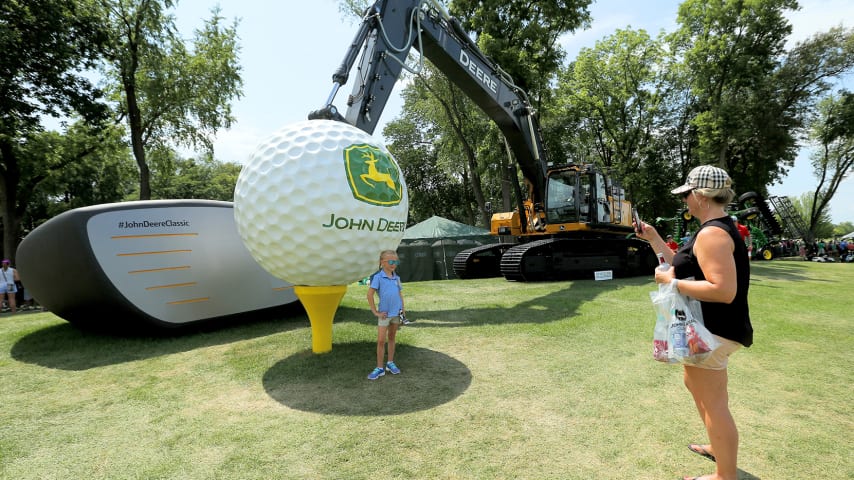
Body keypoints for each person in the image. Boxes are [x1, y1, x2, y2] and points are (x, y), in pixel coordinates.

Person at [635, 165, 753, 480]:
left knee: (713, 402)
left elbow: (723, 290)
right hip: (711, 329)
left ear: (700, 196)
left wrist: (670, 284)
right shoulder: (712, 228)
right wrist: (653, 238)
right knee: (697, 385)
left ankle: (724, 475)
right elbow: (680, 264)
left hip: (714, 329)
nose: (685, 200)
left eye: (687, 194)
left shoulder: (712, 234)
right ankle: (719, 446)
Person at [366, 249, 405, 380]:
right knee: (381, 341)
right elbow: (369, 294)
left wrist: (402, 312)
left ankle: (390, 363)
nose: (393, 264)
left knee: (392, 337)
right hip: (384, 315)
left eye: (395, 261)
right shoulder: (378, 277)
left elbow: (400, 295)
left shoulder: (397, 278)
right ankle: (379, 368)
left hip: (396, 314)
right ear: (382, 262)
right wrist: (375, 312)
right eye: (390, 261)